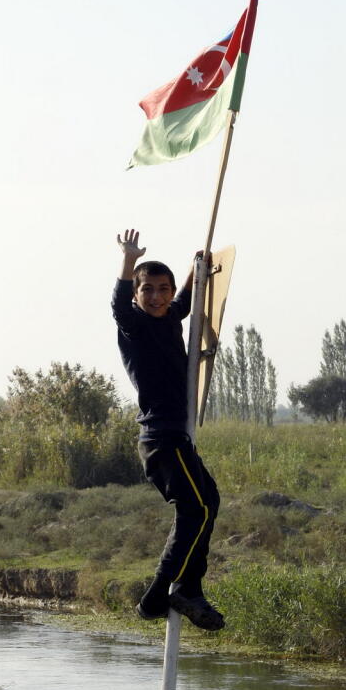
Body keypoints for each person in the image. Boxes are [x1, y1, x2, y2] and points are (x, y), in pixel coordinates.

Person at [113, 228, 224, 631]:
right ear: (136, 296)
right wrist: (130, 258)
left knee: (208, 502)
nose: (157, 297)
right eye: (148, 291)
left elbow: (182, 303)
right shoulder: (134, 326)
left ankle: (190, 588)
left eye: (163, 289)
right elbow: (118, 302)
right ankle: (157, 596)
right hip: (161, 438)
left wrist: (196, 270)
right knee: (196, 508)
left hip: (177, 437)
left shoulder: (169, 318)